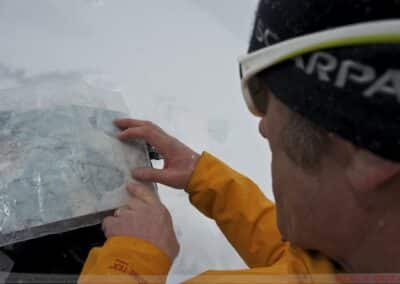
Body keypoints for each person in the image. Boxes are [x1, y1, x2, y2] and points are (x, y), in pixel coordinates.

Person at [79, 0, 400, 283]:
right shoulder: (360, 256)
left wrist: (131, 260)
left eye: (268, 98)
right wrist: (205, 178)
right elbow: (301, 262)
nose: (263, 126)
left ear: (366, 156)